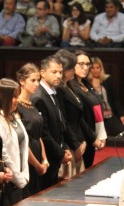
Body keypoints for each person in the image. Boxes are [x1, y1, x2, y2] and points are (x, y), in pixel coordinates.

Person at [31, 55, 74, 189]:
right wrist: (60, 153)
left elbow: (60, 124)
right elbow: (43, 133)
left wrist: (65, 147)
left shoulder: (55, 93)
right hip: (47, 158)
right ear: (42, 73)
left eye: (60, 72)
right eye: (54, 72)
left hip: (56, 155)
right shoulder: (39, 97)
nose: (59, 76)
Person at [0, 78, 29, 206]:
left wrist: (25, 175)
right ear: (3, 98)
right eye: (14, 96)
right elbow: (5, 153)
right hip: (10, 180)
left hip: (21, 178)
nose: (17, 100)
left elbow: (23, 147)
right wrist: (18, 178)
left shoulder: (13, 116)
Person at [68, 51, 107, 168]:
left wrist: (101, 135)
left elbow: (97, 110)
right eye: (81, 64)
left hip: (92, 134)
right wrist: (93, 138)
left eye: (87, 64)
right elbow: (78, 117)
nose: (85, 68)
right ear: (72, 65)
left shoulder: (86, 83)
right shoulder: (71, 86)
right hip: (82, 138)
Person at [16, 63, 48, 196]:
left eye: (38, 80)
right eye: (33, 80)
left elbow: (38, 135)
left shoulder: (32, 104)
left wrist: (44, 159)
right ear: (22, 81)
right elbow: (22, 140)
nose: (36, 84)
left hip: (37, 153)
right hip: (26, 156)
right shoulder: (16, 106)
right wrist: (37, 164)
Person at [54, 49, 87, 178]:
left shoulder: (70, 86)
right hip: (68, 144)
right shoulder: (59, 90)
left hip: (76, 141)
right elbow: (64, 121)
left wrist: (82, 140)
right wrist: (75, 145)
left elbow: (78, 118)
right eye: (71, 68)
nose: (74, 70)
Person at [89, 56, 124, 136]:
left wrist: (121, 115)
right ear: (89, 69)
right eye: (93, 68)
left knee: (123, 136)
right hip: (94, 118)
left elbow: (115, 99)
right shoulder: (86, 82)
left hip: (109, 115)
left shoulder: (108, 80)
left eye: (97, 67)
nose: (95, 70)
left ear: (101, 68)